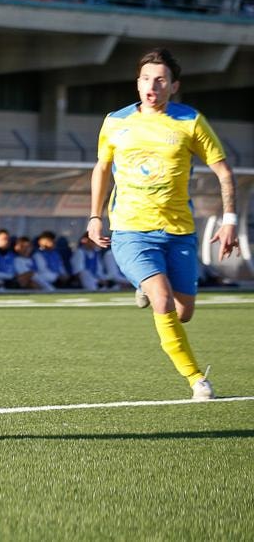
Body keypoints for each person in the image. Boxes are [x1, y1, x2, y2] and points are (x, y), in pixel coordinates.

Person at [88, 47, 238, 401]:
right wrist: (95, 217)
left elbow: (223, 171)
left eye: (160, 80)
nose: (151, 86)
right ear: (137, 84)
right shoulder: (116, 121)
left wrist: (229, 219)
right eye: (145, 79)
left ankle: (147, 287)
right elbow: (102, 169)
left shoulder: (190, 122)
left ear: (174, 86)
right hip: (130, 229)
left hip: (178, 231)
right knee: (162, 298)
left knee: (183, 313)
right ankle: (196, 378)